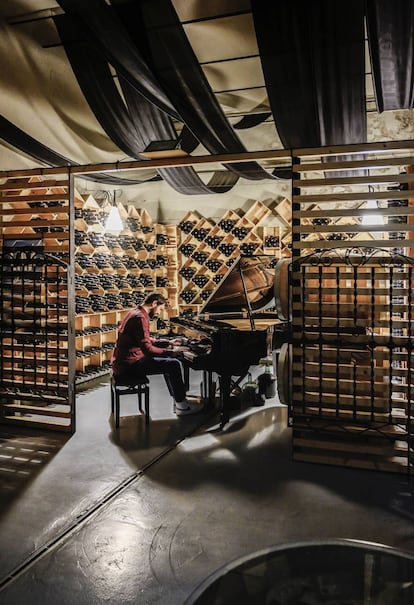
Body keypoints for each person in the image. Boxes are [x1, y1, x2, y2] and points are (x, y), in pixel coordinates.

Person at [111, 292, 204, 416]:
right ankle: (182, 406)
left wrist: (168, 342)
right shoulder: (140, 318)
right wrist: (172, 351)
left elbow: (145, 340)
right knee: (173, 364)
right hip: (129, 366)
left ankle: (178, 400)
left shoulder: (134, 313)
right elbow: (148, 350)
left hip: (122, 362)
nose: (159, 312)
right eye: (160, 308)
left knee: (167, 361)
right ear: (154, 303)